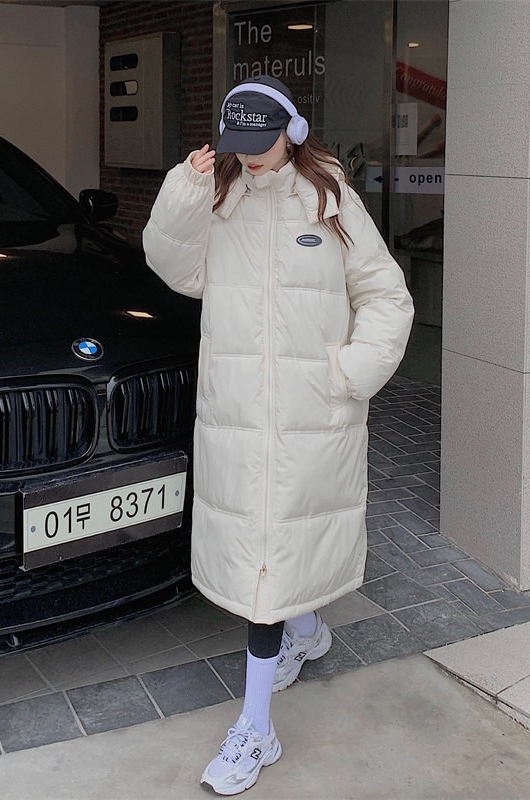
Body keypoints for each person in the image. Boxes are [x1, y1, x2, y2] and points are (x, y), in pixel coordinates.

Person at [143, 75, 414, 795]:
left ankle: (255, 727)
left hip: (310, 415)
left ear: (291, 132)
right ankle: (308, 633)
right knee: (271, 549)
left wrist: (351, 372)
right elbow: (174, 268)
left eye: (261, 141)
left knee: (271, 561)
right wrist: (184, 192)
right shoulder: (220, 199)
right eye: (238, 142)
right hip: (237, 413)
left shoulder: (329, 199)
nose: (250, 154)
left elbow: (386, 294)